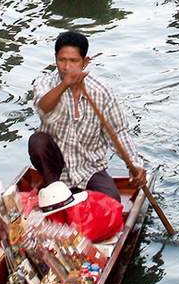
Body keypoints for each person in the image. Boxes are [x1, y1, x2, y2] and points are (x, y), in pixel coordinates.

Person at [29, 31, 146, 201]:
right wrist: (65, 84)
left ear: (85, 62)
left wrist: (134, 164)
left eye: (74, 61)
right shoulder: (44, 83)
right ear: (55, 59)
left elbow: (118, 133)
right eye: (62, 60)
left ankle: (73, 195)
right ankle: (54, 191)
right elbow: (43, 107)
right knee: (37, 141)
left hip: (89, 167)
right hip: (56, 169)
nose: (67, 67)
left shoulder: (101, 91)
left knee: (113, 201)